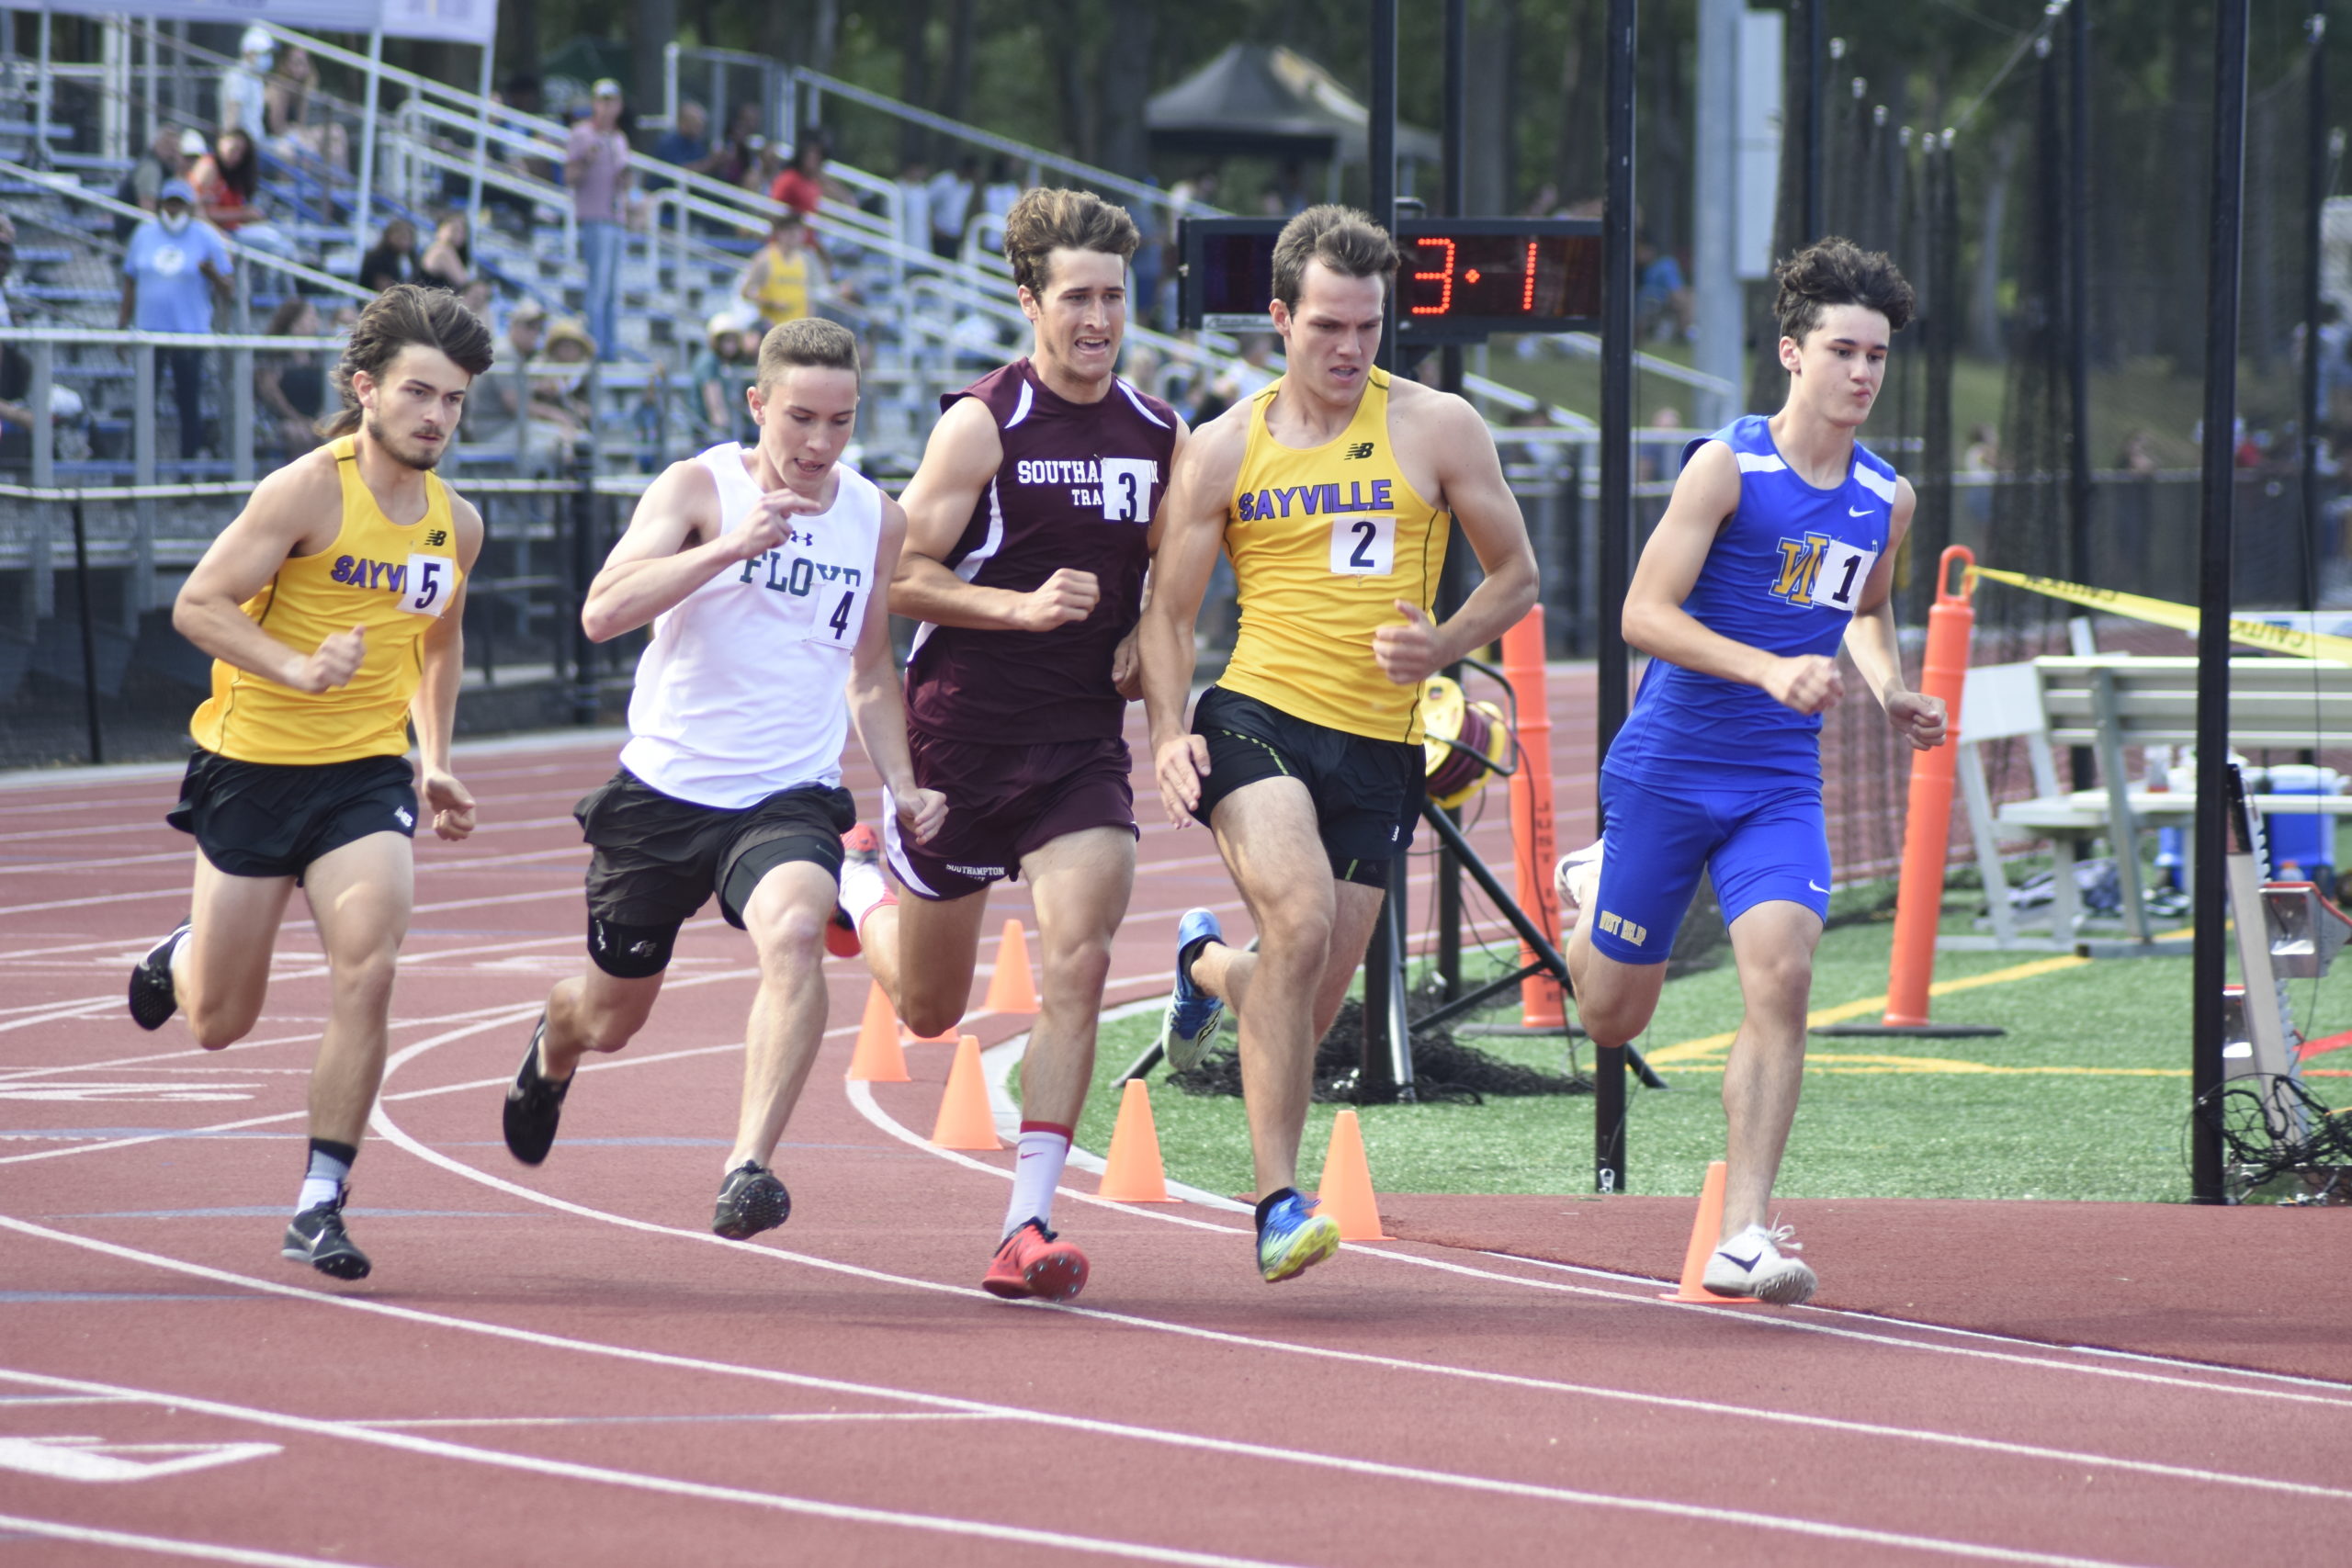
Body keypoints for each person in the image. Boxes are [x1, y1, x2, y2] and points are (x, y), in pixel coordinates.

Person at [1135, 205, 1539, 1283]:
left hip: (1380, 746)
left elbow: (1517, 576)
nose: (1350, 348)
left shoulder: (1438, 427)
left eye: (1367, 326)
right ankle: (1275, 1204)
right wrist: (1170, 734)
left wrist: (1445, 644)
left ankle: (1201, 965)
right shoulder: (1223, 447)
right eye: (1326, 327)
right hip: (1257, 712)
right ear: (1278, 319)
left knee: (1300, 1005)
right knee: (1302, 918)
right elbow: (1168, 617)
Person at [1550, 238, 1945, 1305]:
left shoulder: (1883, 498)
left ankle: (1742, 1233)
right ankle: (1594, 890)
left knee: (1782, 973)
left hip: (1776, 779)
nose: (1861, 374)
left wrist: (1887, 689)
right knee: (1610, 1019)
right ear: (1791, 352)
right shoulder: (1726, 468)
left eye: (1876, 357)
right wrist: (1767, 667)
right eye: (1842, 351)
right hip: (1669, 768)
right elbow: (1642, 615)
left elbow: (1864, 610)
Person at [497, 317, 945, 1240]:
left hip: (786, 794)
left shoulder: (875, 516)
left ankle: (747, 1166)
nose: (820, 444)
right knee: (610, 1018)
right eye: (799, 420)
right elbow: (600, 612)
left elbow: (868, 671)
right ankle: (555, 1043)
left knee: (792, 933)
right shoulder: (698, 487)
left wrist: (902, 782)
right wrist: (727, 548)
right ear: (756, 405)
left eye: (840, 421)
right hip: (663, 794)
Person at [124, 284, 495, 1280]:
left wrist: (436, 758)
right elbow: (198, 606)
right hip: (252, 768)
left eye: (454, 401)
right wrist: (291, 666)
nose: (436, 417)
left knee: (369, 964)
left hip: (362, 776)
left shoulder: (456, 525)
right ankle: (186, 950)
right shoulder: (308, 491)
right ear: (366, 390)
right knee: (219, 1024)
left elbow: (439, 643)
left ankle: (320, 1200)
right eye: (420, 393)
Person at [853, 186, 1181, 1302]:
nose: (1098, 319)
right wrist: (1019, 606)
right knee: (932, 1011)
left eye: (1113, 298)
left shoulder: (1158, 432)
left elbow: (1176, 584)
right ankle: (864, 892)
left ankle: (1025, 1223)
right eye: (1076, 298)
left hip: (1079, 747)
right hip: (963, 740)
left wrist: (1145, 630)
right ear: (1029, 297)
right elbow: (896, 578)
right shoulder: (982, 422)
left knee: (1079, 956)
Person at [119, 179, 232, 462]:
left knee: (188, 402)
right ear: (161, 204)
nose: (174, 209)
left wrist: (212, 275)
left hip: (189, 335)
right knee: (144, 403)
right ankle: (136, 464)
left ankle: (188, 465)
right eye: (170, 203)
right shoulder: (144, 233)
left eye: (180, 203)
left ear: (190, 207)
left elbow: (228, 288)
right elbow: (130, 282)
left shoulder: (206, 236)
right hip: (148, 334)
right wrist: (122, 325)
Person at [568, 79, 632, 362]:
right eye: (602, 101)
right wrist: (587, 160)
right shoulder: (582, 134)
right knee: (598, 287)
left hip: (615, 218)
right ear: (594, 103)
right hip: (594, 217)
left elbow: (624, 180)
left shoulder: (619, 139)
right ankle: (595, 348)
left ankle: (609, 348)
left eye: (613, 101)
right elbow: (570, 177)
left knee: (611, 290)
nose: (607, 107)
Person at [256, 294, 328, 462]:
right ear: (294, 324)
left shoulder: (319, 358)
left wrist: (319, 418)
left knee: (327, 431)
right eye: (310, 318)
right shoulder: (275, 358)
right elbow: (271, 394)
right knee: (297, 434)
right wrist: (296, 418)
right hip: (282, 419)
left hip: (315, 418)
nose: (315, 323)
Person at [738, 210, 823, 329]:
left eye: (798, 232)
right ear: (780, 233)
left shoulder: (805, 260)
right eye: (790, 231)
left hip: (797, 331)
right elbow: (745, 293)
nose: (794, 236)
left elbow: (811, 297)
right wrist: (771, 303)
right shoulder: (765, 259)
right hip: (773, 329)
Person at [220, 25, 273, 145]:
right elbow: (231, 116)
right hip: (247, 147)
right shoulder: (238, 77)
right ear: (248, 52)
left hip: (258, 142)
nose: (267, 58)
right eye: (262, 53)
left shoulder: (255, 77)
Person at [927, 156, 978, 260]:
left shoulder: (968, 187)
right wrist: (933, 226)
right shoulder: (944, 181)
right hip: (938, 234)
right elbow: (926, 202)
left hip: (954, 236)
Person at [357, 219, 417, 293]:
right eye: (401, 237)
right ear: (389, 236)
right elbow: (385, 290)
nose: (405, 242)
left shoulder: (411, 257)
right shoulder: (377, 258)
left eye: (408, 238)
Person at [418, 213, 471, 292]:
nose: (458, 234)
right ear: (440, 229)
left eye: (462, 231)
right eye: (454, 229)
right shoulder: (443, 249)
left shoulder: (445, 249)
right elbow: (464, 284)